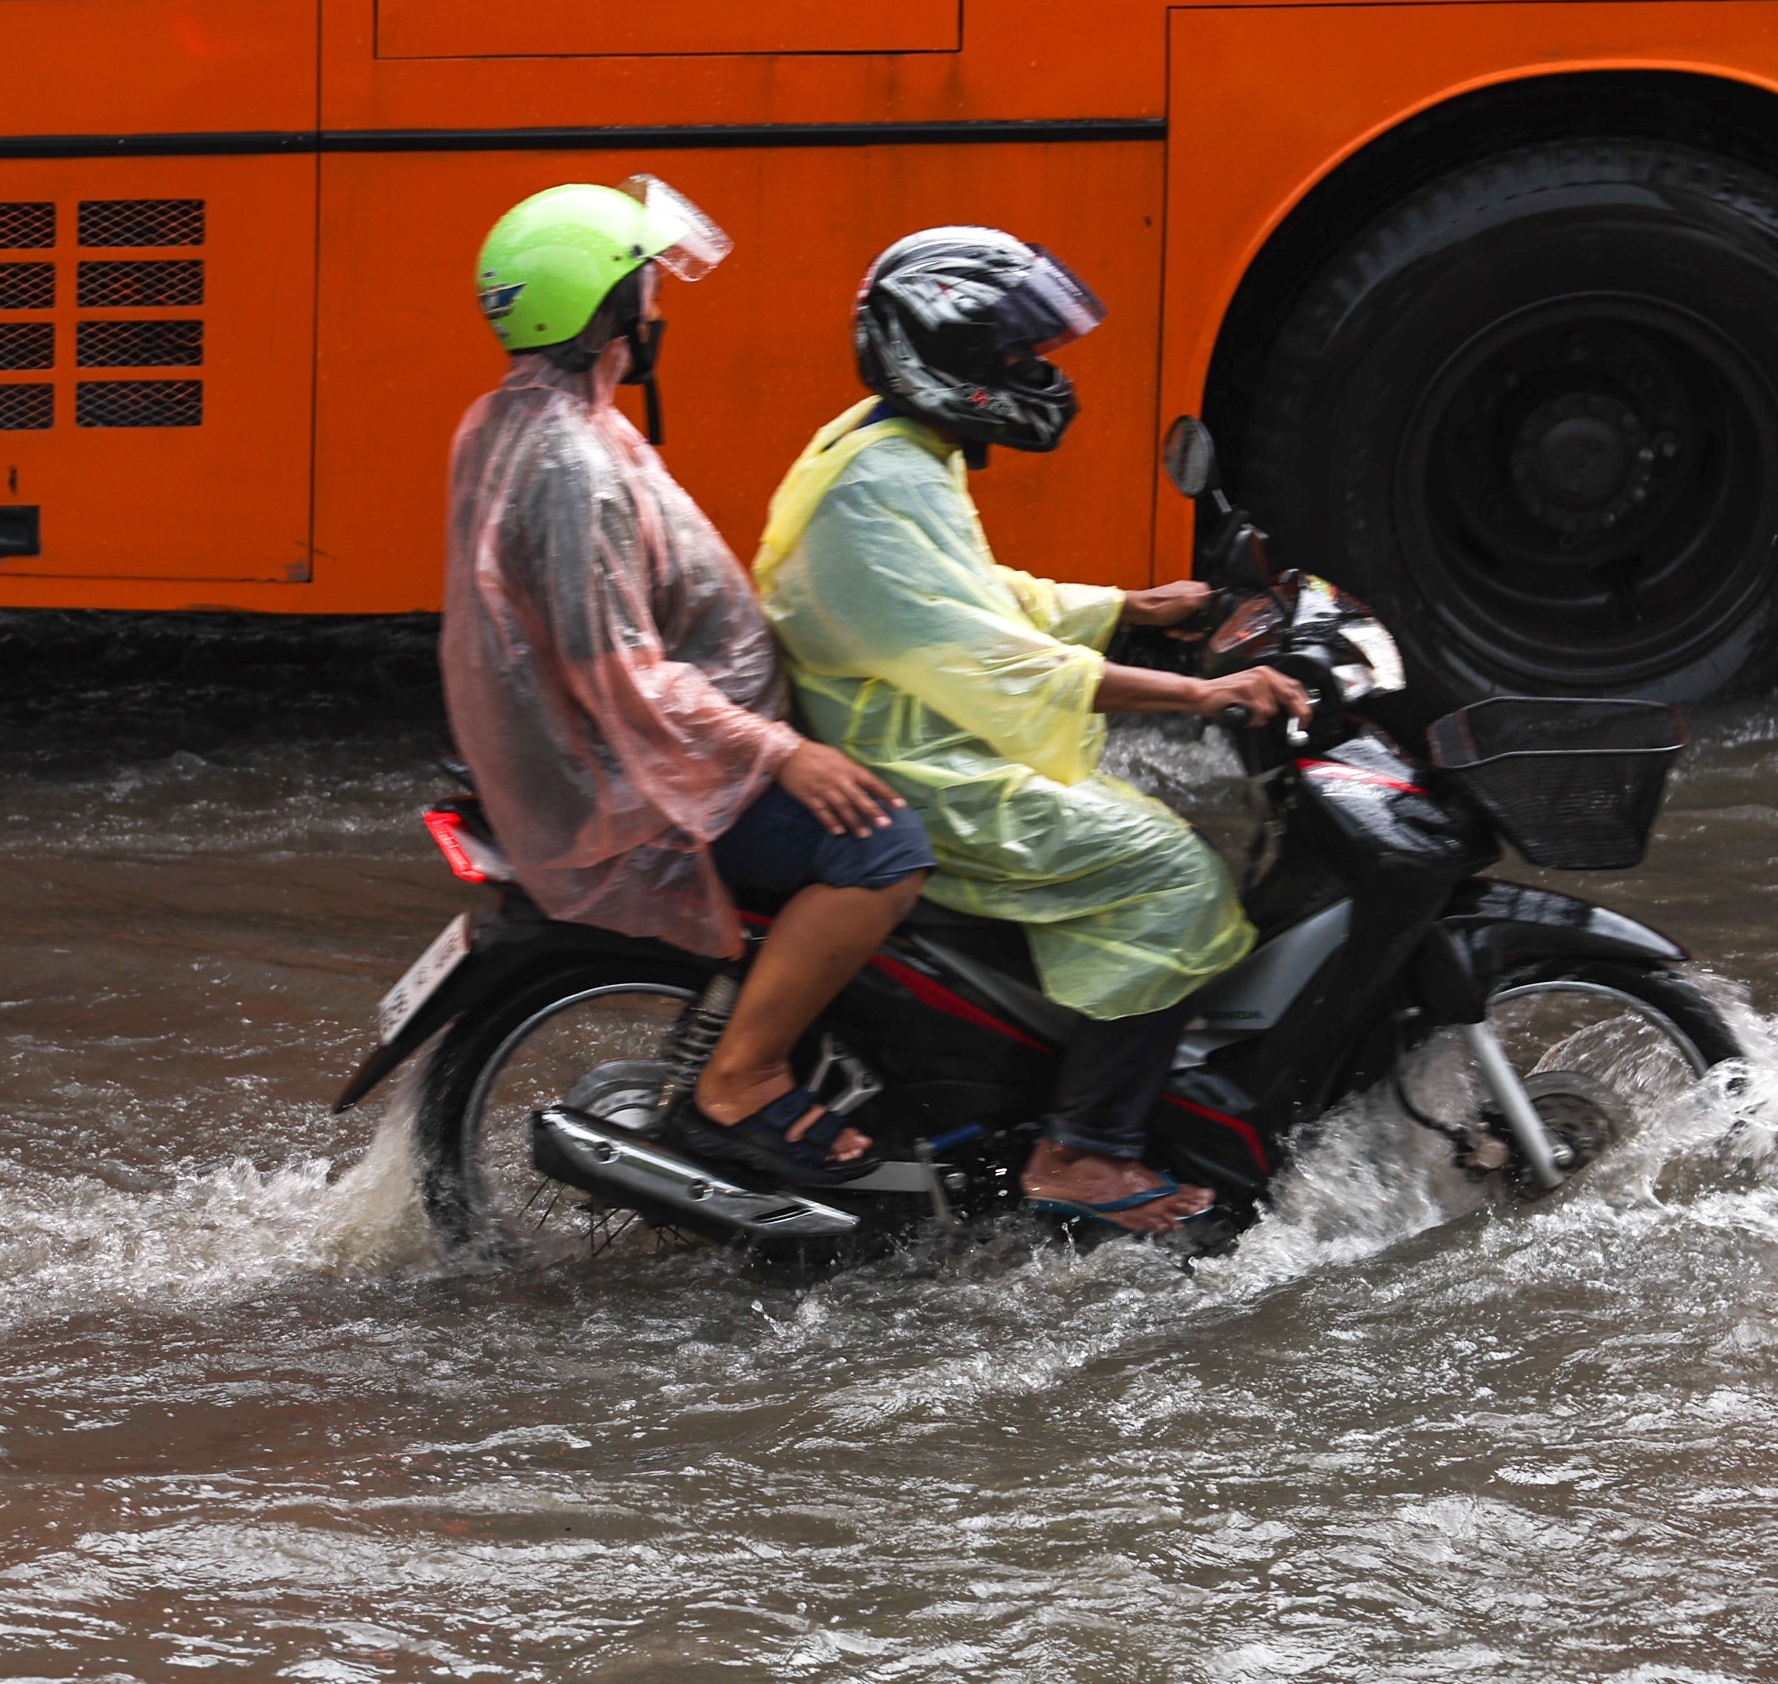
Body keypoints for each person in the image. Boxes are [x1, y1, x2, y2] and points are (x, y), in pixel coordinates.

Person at [754, 229, 1313, 1236]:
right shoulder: (886, 481)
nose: (1036, 374)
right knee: (1172, 871)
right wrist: (1201, 695)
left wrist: (1133, 608)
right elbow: (996, 658)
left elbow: (980, 595)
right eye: (1012, 357)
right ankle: (1086, 1151)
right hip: (922, 770)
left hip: (922, 736)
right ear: (949, 357)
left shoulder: (884, 448)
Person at [438, 177, 926, 1194]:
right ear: (603, 307)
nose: (659, 303)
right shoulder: (574, 463)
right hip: (659, 774)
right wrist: (783, 750)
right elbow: (621, 672)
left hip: (641, 750)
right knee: (886, 848)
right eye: (645, 284)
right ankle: (743, 1079)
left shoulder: (512, 420)